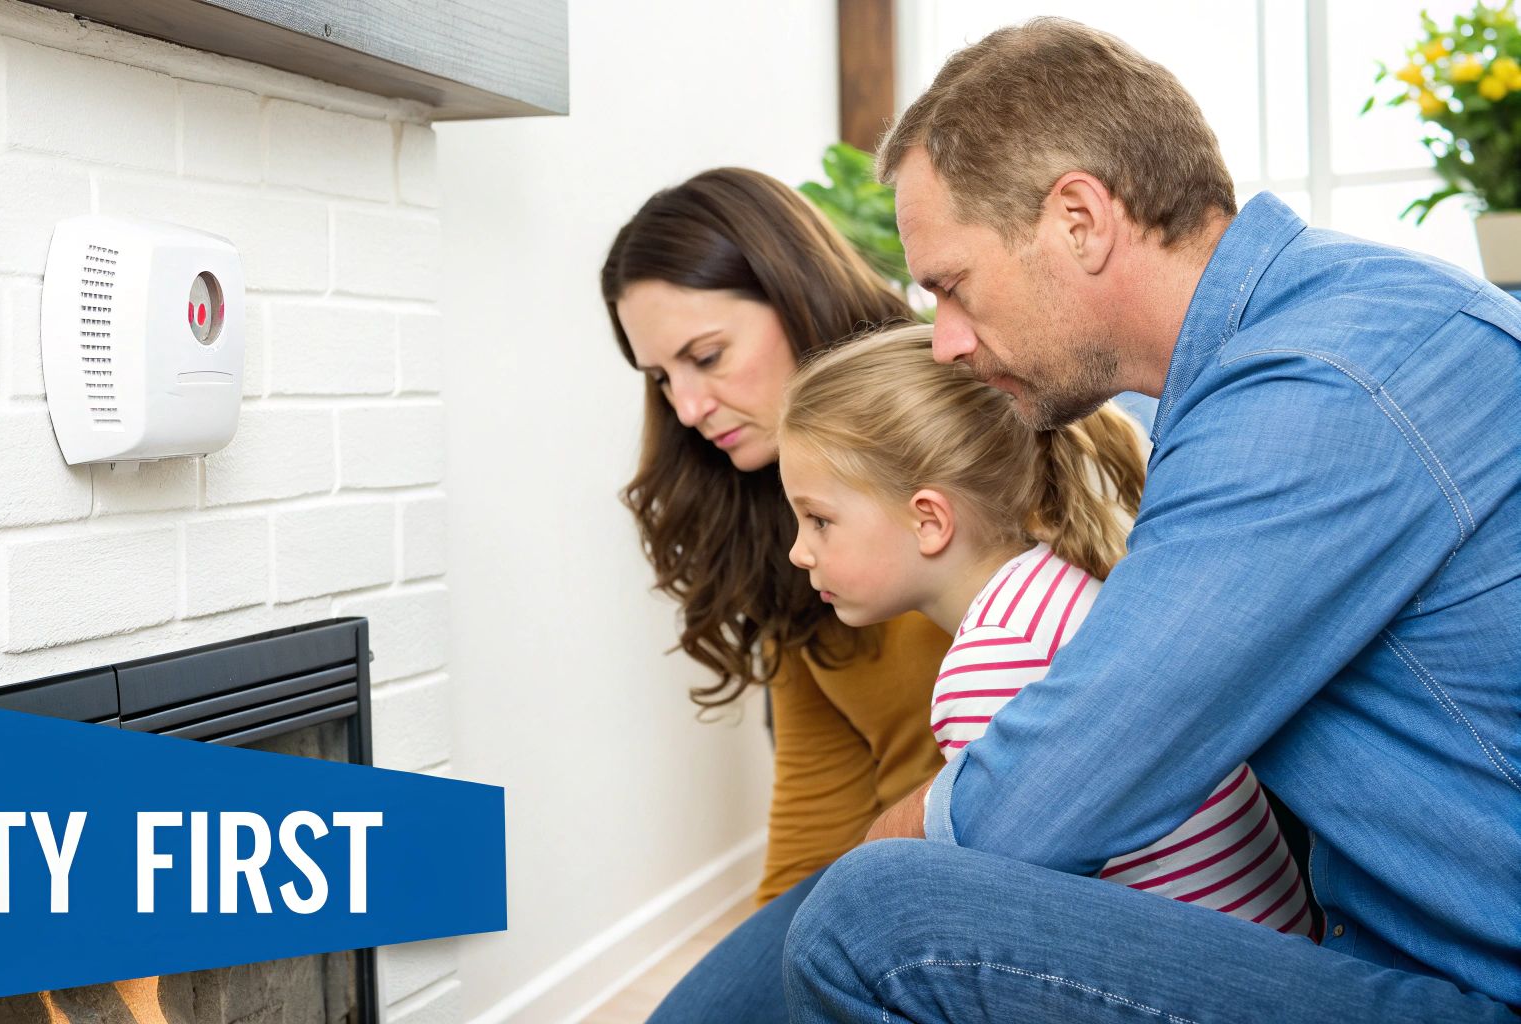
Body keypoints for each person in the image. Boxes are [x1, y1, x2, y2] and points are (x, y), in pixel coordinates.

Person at [783, 18, 1521, 1023]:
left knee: (870, 916)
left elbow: (1038, 804)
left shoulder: (1313, 389)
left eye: (951, 286)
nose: (943, 342)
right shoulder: (1313, 328)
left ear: (1079, 219)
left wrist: (878, 845)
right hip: (1401, 934)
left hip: (1479, 984)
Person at [778, 322, 1315, 939]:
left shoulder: (991, 662)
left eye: (818, 520)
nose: (799, 551)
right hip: (1278, 933)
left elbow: (1008, 916)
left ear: (929, 519)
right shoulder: (1058, 585)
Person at [599, 167, 951, 1021]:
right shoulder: (769, 515)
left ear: (795, 297)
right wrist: (772, 969)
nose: (685, 407)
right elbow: (815, 788)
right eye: (660, 378)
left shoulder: (971, 422)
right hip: (876, 877)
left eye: (706, 357)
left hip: (985, 865)